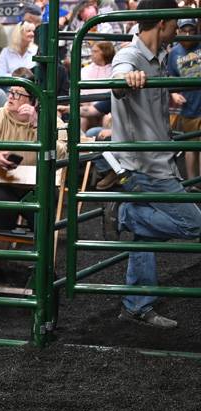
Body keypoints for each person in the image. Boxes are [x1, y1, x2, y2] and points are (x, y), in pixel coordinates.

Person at [109, 0, 201, 328]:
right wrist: (126, 78)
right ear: (162, 22)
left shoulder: (162, 55)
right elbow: (119, 75)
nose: (179, 27)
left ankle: (137, 305)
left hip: (156, 161)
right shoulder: (130, 57)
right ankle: (128, 213)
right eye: (175, 21)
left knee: (145, 235)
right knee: (194, 225)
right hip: (144, 167)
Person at [0, 67, 67, 232]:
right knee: (2, 210)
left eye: (18, 94)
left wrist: (38, 126)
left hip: (38, 185)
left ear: (35, 101)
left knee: (42, 218)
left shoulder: (51, 119)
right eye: (10, 91)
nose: (10, 96)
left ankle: (41, 256)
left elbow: (61, 153)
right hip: (3, 183)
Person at [168, 19, 201, 179]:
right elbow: (170, 78)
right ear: (178, 31)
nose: (188, 34)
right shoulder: (174, 52)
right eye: (184, 30)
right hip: (190, 107)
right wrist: (174, 93)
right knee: (191, 147)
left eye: (191, 30)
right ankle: (194, 184)